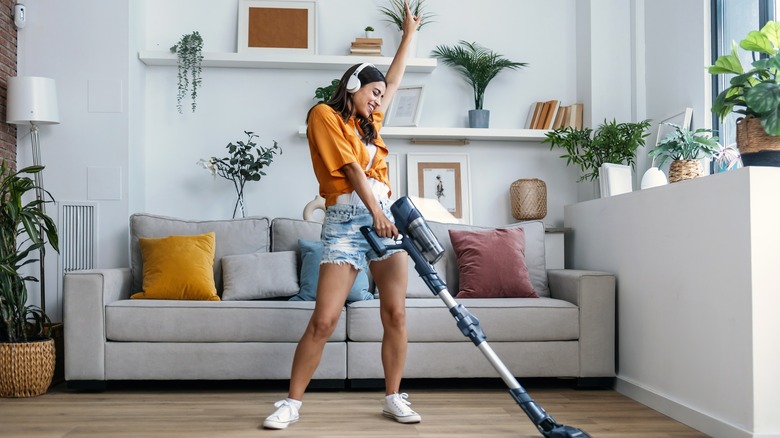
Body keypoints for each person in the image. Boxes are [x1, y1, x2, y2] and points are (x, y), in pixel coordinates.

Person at [262, 1, 422, 431]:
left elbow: (393, 78)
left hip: (384, 215)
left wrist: (408, 36)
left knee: (396, 314)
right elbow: (351, 170)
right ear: (352, 86)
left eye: (381, 98)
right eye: (373, 93)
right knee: (325, 319)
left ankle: (392, 396)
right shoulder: (324, 115)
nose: (379, 100)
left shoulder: (370, 124)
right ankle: (291, 403)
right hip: (348, 224)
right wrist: (376, 214)